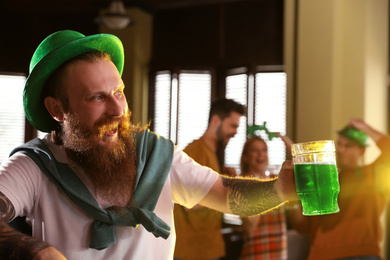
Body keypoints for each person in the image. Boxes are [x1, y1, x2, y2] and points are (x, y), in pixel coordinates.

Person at [0, 30, 297, 260]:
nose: (117, 110)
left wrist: (279, 191)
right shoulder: (35, 166)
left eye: (119, 92)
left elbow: (227, 195)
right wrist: (34, 250)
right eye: (97, 97)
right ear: (57, 110)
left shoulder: (156, 155)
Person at [290, 118, 390, 260]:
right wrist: (292, 198)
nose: (341, 150)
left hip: (363, 253)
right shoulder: (323, 179)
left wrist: (365, 127)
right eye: (339, 144)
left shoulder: (373, 175)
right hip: (323, 254)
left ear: (362, 150)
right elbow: (303, 226)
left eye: (348, 145)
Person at [173, 98, 245, 260]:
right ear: (215, 120)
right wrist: (227, 188)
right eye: (233, 125)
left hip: (207, 248)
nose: (235, 132)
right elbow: (190, 204)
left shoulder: (211, 152)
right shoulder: (195, 151)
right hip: (193, 252)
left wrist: (222, 179)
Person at [238, 134, 293, 260]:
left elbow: (299, 159)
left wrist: (282, 136)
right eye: (254, 150)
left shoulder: (275, 180)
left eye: (264, 150)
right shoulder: (241, 185)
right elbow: (250, 227)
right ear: (245, 157)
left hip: (279, 254)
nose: (261, 154)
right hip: (256, 254)